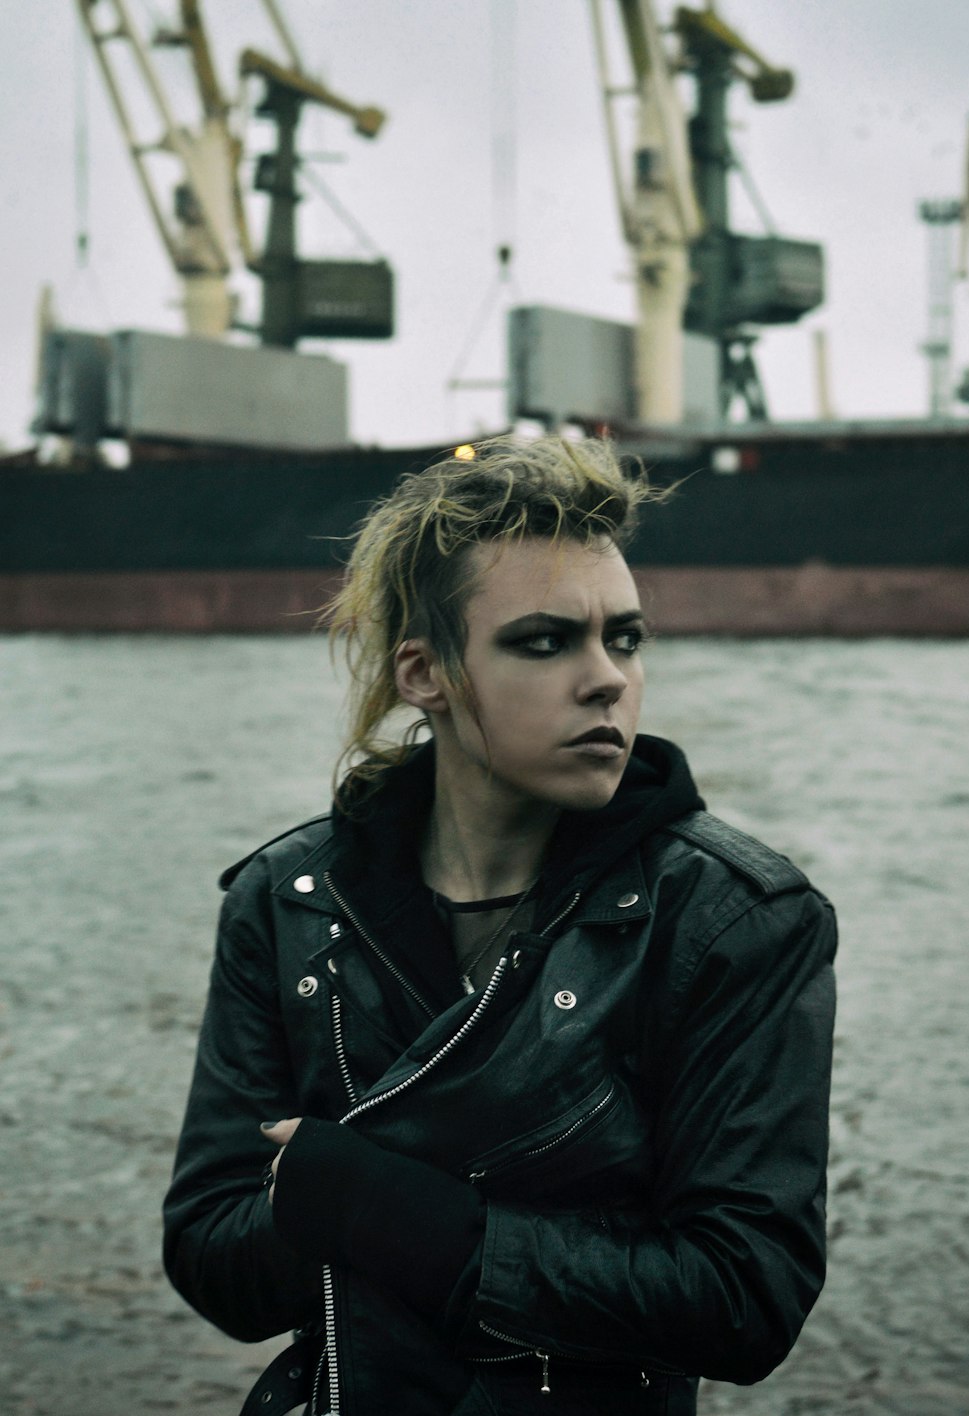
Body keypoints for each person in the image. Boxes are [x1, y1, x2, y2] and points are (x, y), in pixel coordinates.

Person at [163, 435, 836, 1416]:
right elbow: (210, 1262)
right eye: (544, 640)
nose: (606, 678)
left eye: (626, 638)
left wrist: (393, 1214)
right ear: (425, 673)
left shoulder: (732, 920)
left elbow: (746, 1298)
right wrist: (299, 1212)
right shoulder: (289, 901)